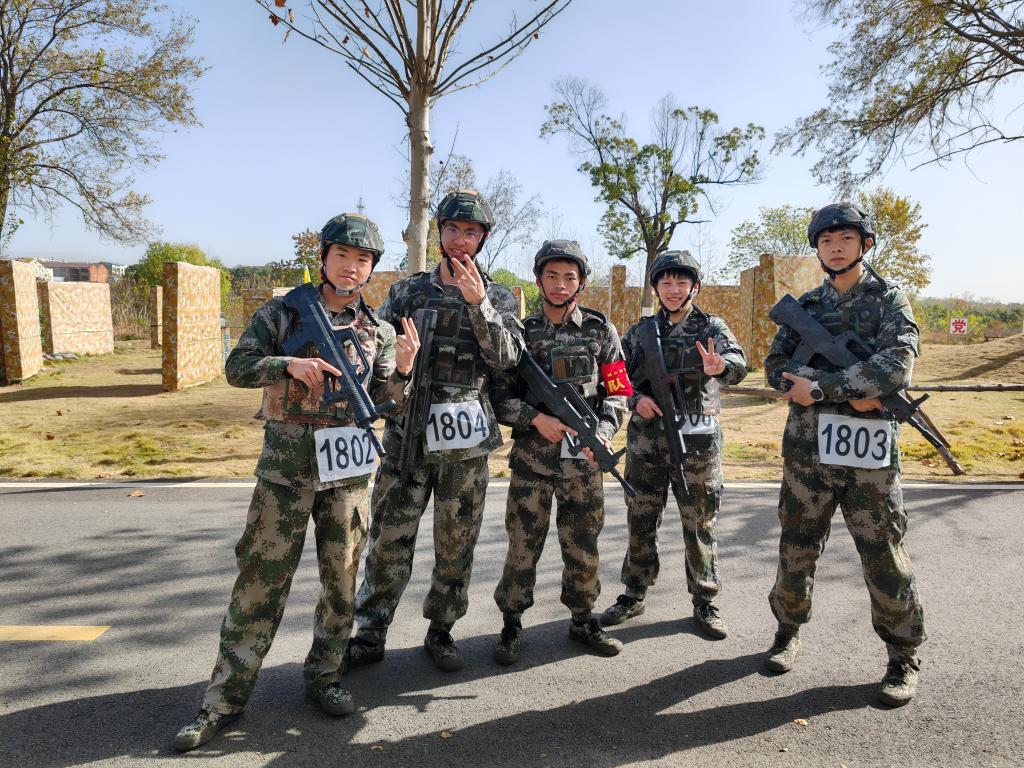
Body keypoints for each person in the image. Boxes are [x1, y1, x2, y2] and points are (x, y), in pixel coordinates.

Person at [173, 213, 419, 751]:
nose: (351, 269)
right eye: (342, 257)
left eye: (362, 261)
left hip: (348, 478)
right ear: (324, 258)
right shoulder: (285, 311)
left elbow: (386, 405)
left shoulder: (374, 328)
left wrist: (402, 369)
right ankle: (224, 698)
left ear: (371, 269)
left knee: (342, 584)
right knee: (259, 584)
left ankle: (325, 676)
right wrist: (286, 365)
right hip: (285, 474)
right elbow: (236, 367)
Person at [348, 189, 523, 672]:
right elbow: (378, 360)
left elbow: (509, 359)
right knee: (389, 538)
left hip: (465, 445)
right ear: (439, 233)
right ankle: (371, 629)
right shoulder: (408, 291)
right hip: (407, 437)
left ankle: (442, 629)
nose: (460, 241)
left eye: (471, 233)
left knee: (456, 542)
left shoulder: (502, 296)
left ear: (483, 238)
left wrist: (479, 305)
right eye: (452, 230)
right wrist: (396, 367)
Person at [763, 202, 926, 707]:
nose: (835, 248)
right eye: (826, 241)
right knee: (796, 549)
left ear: (865, 245)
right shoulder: (805, 307)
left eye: (846, 240)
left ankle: (903, 656)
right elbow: (774, 367)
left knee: (883, 555)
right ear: (817, 249)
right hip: (808, 453)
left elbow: (896, 367)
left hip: (869, 460)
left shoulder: (890, 300)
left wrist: (822, 386)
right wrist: (839, 389)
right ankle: (787, 631)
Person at [491, 240, 628, 663]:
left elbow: (619, 391)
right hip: (532, 461)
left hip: (584, 464)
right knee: (522, 544)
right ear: (538, 280)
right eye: (551, 275)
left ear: (581, 282)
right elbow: (500, 397)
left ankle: (584, 618)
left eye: (569, 276)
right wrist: (536, 419)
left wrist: (604, 430)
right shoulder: (519, 333)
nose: (560, 284)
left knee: (583, 543)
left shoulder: (601, 331)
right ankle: (511, 623)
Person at [600, 250, 747, 639]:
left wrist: (722, 367)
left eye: (682, 282)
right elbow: (613, 376)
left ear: (694, 287)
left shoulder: (711, 327)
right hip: (647, 442)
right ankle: (634, 592)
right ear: (656, 287)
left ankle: (705, 600)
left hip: (697, 442)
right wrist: (635, 400)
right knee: (641, 517)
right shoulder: (639, 332)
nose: (674, 289)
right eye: (666, 282)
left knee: (699, 521)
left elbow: (738, 362)